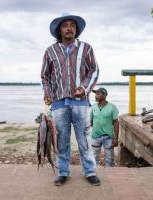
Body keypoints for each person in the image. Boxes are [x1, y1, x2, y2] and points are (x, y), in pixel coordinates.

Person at [41, 14, 100, 186]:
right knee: (61, 139)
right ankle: (63, 172)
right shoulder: (50, 51)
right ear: (59, 30)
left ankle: (89, 171)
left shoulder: (86, 48)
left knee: (84, 138)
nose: (69, 28)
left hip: (80, 102)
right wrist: (47, 92)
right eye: (65, 25)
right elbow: (45, 76)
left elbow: (94, 71)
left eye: (72, 25)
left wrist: (84, 88)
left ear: (76, 29)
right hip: (58, 102)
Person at [90, 87, 119, 167]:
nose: (96, 96)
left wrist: (116, 138)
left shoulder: (112, 107)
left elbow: (116, 123)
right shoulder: (93, 107)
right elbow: (91, 122)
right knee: (94, 159)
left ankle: (110, 177)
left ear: (104, 95)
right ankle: (95, 175)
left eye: (98, 94)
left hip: (108, 137)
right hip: (95, 137)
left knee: (109, 160)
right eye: (95, 94)